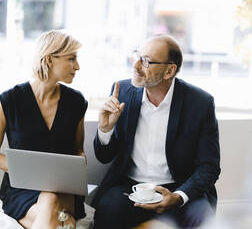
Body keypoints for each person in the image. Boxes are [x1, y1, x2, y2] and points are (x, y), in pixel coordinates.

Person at [92, 35, 220, 228]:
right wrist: (105, 128)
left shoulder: (200, 103)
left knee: (202, 220)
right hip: (130, 187)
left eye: (145, 61)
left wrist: (178, 197)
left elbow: (209, 167)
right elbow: (104, 156)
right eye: (137, 56)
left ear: (169, 71)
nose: (135, 65)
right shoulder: (122, 91)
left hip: (179, 188)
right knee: (106, 211)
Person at [0, 30, 88, 229]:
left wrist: (78, 166)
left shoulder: (76, 102)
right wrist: (29, 172)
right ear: (49, 59)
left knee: (49, 199)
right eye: (71, 59)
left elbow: (78, 150)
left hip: (64, 191)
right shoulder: (9, 100)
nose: (78, 66)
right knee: (61, 219)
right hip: (21, 189)